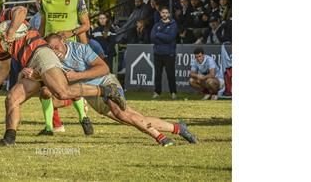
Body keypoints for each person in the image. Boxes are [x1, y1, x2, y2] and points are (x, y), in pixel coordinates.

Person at [0, 6, 126, 146]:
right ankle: (9, 139)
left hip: (41, 53)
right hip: (31, 64)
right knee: (12, 98)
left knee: (62, 92)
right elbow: (3, 68)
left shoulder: (0, 17)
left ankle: (106, 90)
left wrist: (11, 30)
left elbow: (21, 10)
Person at [27, 34, 197, 146]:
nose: (55, 52)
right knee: (132, 117)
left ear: (64, 42)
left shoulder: (80, 49)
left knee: (123, 113)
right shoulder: (51, 59)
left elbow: (104, 68)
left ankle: (162, 139)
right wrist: (34, 75)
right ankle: (178, 128)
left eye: (57, 47)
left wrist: (78, 76)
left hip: (107, 84)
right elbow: (50, 80)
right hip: (92, 96)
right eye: (52, 49)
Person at [38, 0, 92, 133]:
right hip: (47, 50)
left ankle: (83, 118)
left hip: (69, 51)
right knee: (45, 91)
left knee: (71, 90)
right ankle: (49, 128)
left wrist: (70, 33)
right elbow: (43, 24)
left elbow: (86, 25)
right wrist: (37, 43)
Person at [150, 6, 178, 100]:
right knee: (158, 74)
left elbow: (171, 38)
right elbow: (152, 37)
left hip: (169, 53)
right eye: (163, 13)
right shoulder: (156, 25)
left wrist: (159, 34)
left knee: (170, 74)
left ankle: (173, 92)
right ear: (160, 14)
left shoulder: (173, 24)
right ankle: (157, 92)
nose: (164, 14)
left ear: (169, 14)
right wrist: (163, 37)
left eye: (166, 13)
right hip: (158, 53)